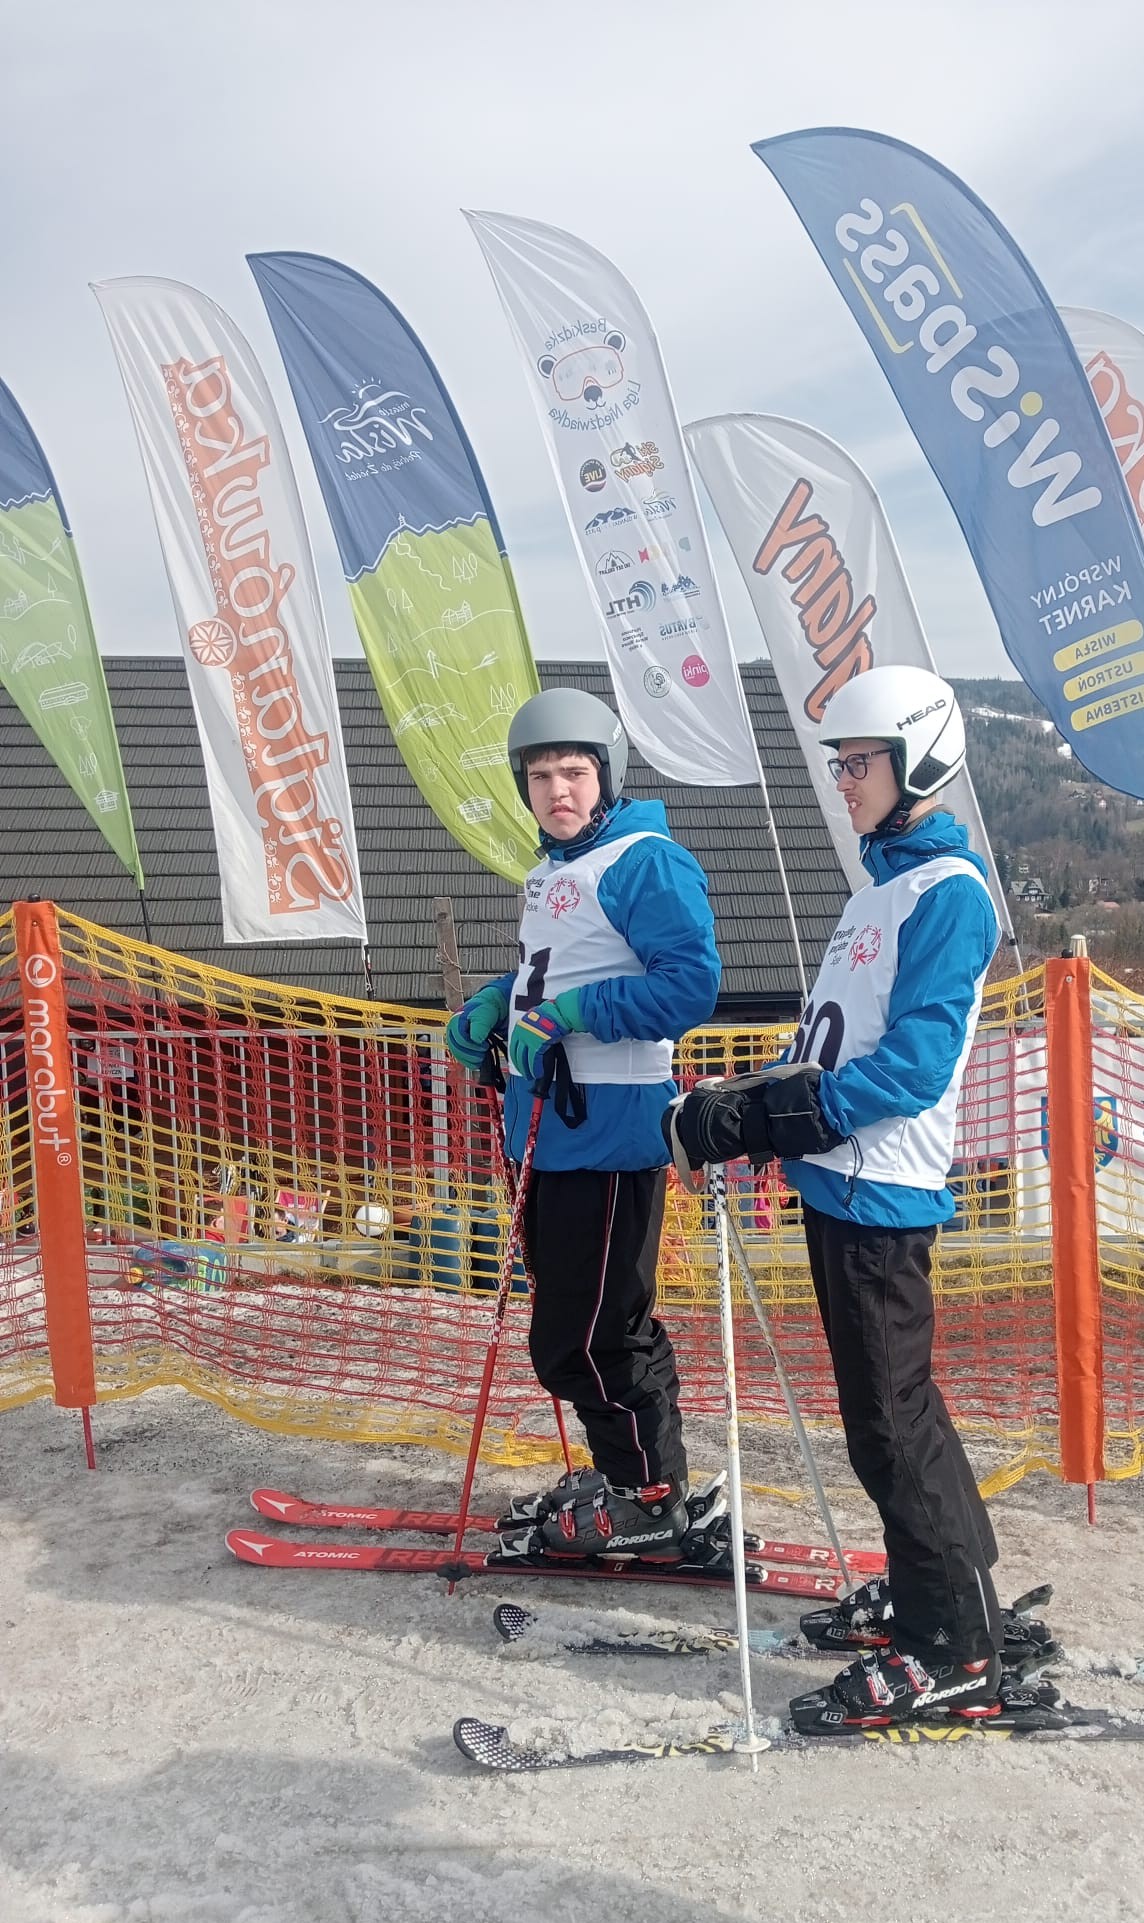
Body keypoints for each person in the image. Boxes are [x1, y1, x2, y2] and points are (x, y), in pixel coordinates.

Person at [668, 665, 1007, 1727]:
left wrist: (778, 1119)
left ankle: (955, 1647)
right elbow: (829, 1041)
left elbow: (912, 1067)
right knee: (900, 1416)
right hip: (839, 1181)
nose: (843, 781)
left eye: (859, 762)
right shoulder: (878, 892)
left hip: (880, 1188)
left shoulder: (949, 894)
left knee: (889, 1428)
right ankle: (945, 1592)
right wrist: (742, 1097)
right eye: (840, 763)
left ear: (918, 762)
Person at [445, 687, 721, 1558]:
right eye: (540, 776)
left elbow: (690, 985)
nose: (557, 790)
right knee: (585, 1328)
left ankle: (649, 1495)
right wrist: (498, 1000)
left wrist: (573, 1013)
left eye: (574, 772)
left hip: (609, 1131)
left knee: (592, 1338)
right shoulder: (553, 870)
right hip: (550, 1132)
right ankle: (634, 1474)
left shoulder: (645, 861)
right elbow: (555, 969)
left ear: (606, 775)